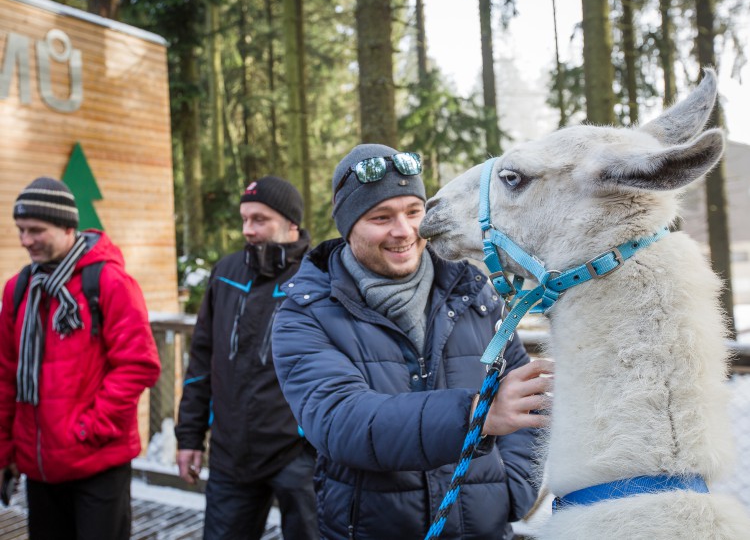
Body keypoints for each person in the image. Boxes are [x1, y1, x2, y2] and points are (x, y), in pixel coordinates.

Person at [272, 144, 554, 539]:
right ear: (348, 225)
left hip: (483, 527)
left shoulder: (474, 294)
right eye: (380, 217)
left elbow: (526, 391)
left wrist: (516, 488)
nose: (403, 231)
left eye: (413, 212)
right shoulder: (306, 313)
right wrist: (476, 415)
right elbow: (340, 420)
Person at [0, 177, 161, 540]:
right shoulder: (19, 290)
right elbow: (5, 376)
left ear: (67, 226)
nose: (26, 240)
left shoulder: (110, 283)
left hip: (97, 462)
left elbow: (139, 365)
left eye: (36, 230)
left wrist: (90, 428)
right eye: (21, 230)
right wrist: (5, 450)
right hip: (39, 467)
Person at [175, 176, 318, 540]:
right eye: (244, 219)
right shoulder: (226, 273)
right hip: (231, 452)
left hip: (299, 454)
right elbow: (201, 361)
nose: (248, 230)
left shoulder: (319, 276)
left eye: (259, 220)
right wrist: (190, 437)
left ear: (291, 223)